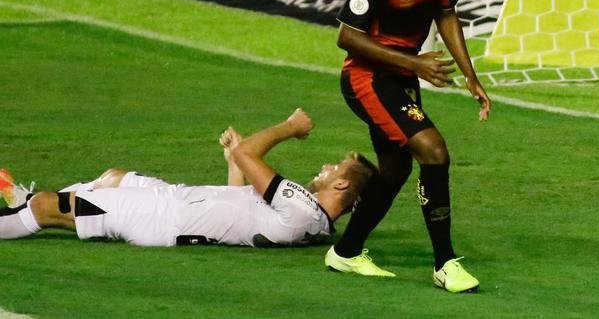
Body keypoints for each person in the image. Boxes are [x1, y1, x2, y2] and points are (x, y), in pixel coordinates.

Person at [325, 0, 491, 293]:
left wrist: (471, 76)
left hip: (400, 76)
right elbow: (346, 36)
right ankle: (445, 264)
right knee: (434, 152)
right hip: (367, 77)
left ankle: (345, 253)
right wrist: (413, 62)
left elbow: (446, 13)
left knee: (395, 169)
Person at [0, 109, 375, 247]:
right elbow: (242, 210)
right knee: (113, 178)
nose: (325, 168)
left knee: (53, 207)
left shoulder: (300, 205)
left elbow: (251, 155)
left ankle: (24, 209)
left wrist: (290, 128)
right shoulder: (311, 222)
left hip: (163, 216)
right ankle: (21, 202)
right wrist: (233, 162)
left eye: (334, 169)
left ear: (341, 185)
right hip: (176, 202)